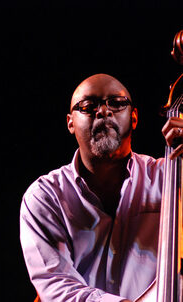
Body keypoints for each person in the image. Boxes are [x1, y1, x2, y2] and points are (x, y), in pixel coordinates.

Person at [19, 73, 183, 301]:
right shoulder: (46, 197)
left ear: (134, 117)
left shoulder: (172, 178)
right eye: (88, 106)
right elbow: (57, 286)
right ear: (70, 122)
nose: (103, 111)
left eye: (116, 104)